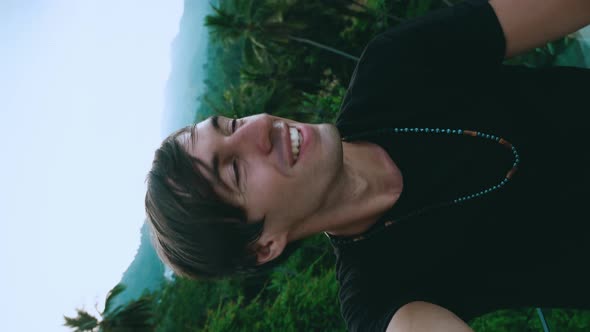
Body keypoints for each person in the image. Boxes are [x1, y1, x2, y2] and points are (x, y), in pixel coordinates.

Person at [145, 0, 590, 331]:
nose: (259, 126)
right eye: (234, 171)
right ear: (263, 246)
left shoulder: (393, 67)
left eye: (232, 123)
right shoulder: (382, 301)